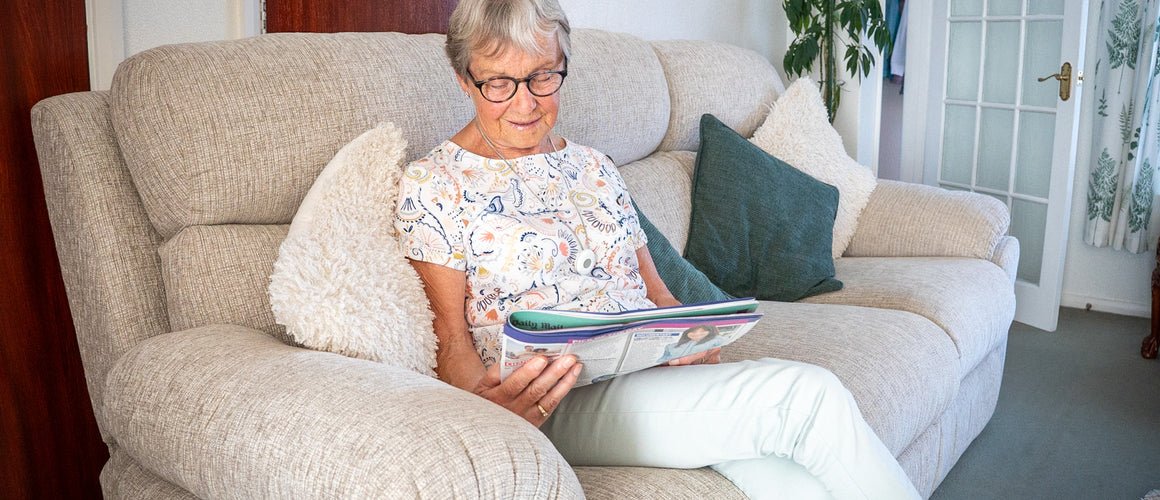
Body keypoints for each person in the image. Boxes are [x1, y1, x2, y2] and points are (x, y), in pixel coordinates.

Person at [393, 1, 920, 498]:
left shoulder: (596, 167)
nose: (525, 103)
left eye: (542, 77)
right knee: (807, 398)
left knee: (793, 481)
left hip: (645, 373)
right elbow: (449, 340)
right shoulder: (435, 184)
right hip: (554, 399)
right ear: (464, 79)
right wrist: (490, 414)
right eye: (499, 84)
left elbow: (658, 297)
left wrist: (690, 340)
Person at [659, 325, 725, 363]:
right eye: (700, 332)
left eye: (702, 335)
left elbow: (719, 339)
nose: (697, 335)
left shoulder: (705, 345)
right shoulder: (671, 346)